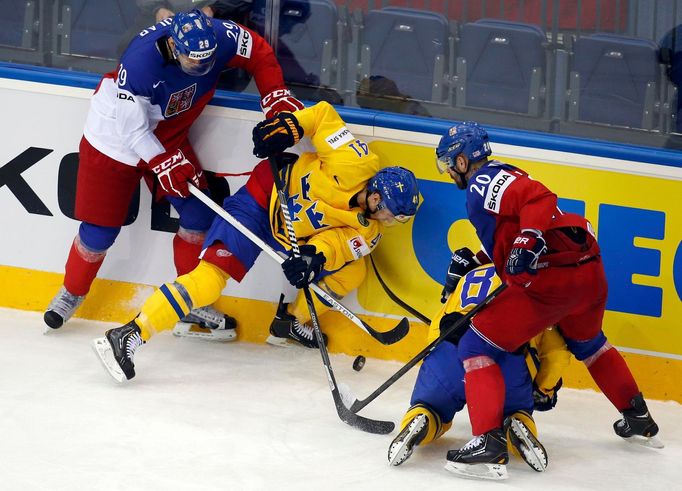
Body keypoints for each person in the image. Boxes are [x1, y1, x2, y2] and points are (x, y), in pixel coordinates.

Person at [92, 101, 420, 382]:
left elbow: (336, 246)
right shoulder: (355, 160)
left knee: (353, 272)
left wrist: (312, 259)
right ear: (377, 196)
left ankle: (289, 323)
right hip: (260, 200)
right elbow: (321, 116)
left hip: (291, 234)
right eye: (392, 213)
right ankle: (130, 334)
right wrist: (290, 127)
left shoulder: (369, 232)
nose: (392, 221)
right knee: (210, 280)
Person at [44, 9, 304, 339]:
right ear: (173, 46)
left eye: (208, 60)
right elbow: (133, 131)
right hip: (115, 139)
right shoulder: (141, 61)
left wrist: (274, 95)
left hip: (167, 136)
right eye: (194, 61)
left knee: (197, 216)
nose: (203, 68)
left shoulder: (219, 37)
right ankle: (72, 292)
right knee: (100, 231)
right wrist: (163, 162)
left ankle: (189, 300)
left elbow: (259, 52)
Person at [433, 122, 661, 480]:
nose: (448, 171)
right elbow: (519, 228)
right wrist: (478, 258)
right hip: (588, 272)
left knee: (475, 346)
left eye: (449, 162)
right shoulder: (503, 175)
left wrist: (527, 238)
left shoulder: (481, 181)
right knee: (590, 345)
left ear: (463, 160)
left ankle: (488, 445)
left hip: (554, 281)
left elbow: (538, 199)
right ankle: (638, 418)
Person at [388, 263, 571, 473]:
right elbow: (557, 354)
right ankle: (516, 425)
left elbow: (438, 330)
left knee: (431, 406)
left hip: (449, 353)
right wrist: (543, 389)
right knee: (514, 410)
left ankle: (422, 419)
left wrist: (438, 361)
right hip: (504, 363)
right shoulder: (533, 281)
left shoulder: (469, 275)